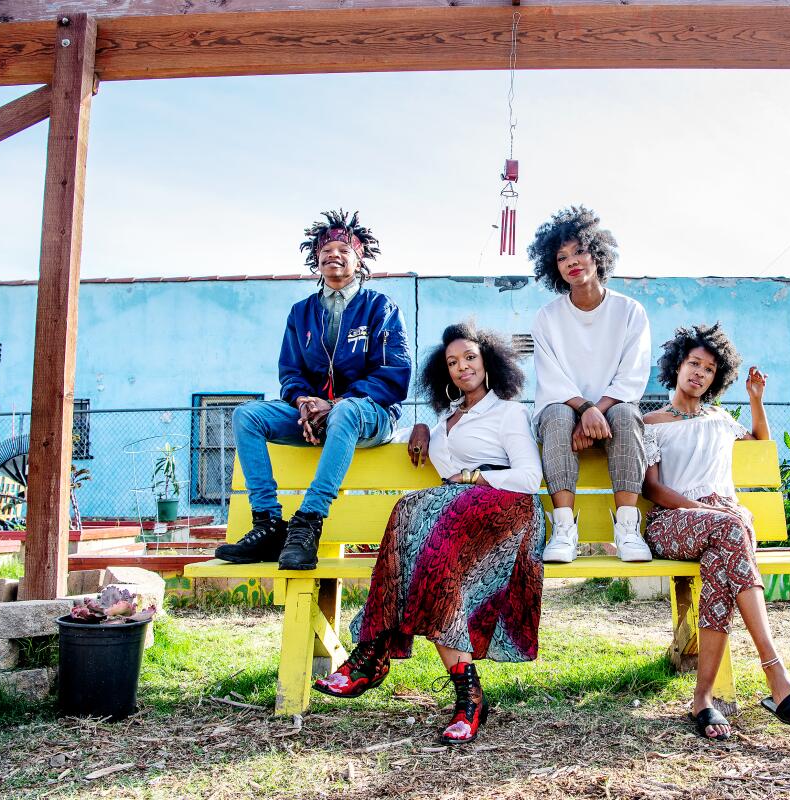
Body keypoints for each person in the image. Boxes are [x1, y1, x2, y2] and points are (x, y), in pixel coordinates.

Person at [313, 323, 545, 747]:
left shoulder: (508, 412)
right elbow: (410, 442)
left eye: (469, 358)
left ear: (488, 361)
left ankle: (371, 655)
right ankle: (467, 696)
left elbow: (530, 477)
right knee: (428, 546)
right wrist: (420, 428)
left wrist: (473, 476)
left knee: (419, 513)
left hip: (505, 512)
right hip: (453, 520)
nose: (462, 367)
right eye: (452, 362)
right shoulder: (446, 421)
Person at [641, 323, 790, 740]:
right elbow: (651, 488)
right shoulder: (650, 422)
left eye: (709, 369)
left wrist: (756, 400)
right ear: (677, 365)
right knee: (731, 524)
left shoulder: (722, 419)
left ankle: (703, 698)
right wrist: (702, 508)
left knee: (720, 570)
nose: (699, 373)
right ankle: (776, 674)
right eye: (693, 364)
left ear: (716, 378)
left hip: (724, 528)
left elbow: (759, 440)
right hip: (674, 521)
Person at [216, 210, 411, 570]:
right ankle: (269, 524)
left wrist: (333, 403)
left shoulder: (382, 308)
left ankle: (308, 522)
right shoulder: (301, 313)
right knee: (247, 415)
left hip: (369, 415)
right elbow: (290, 372)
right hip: (316, 417)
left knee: (346, 411)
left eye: (343, 248)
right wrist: (304, 402)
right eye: (326, 249)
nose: (333, 254)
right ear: (315, 258)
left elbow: (394, 375)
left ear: (359, 258)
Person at [526, 206, 652, 563]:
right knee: (555, 415)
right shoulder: (547, 317)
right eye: (562, 257)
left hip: (612, 415)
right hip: (567, 412)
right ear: (554, 267)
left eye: (579, 251)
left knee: (628, 414)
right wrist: (583, 409)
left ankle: (628, 529)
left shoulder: (630, 311)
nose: (572, 262)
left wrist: (597, 412)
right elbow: (551, 377)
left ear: (597, 253)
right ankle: (564, 529)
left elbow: (632, 375)